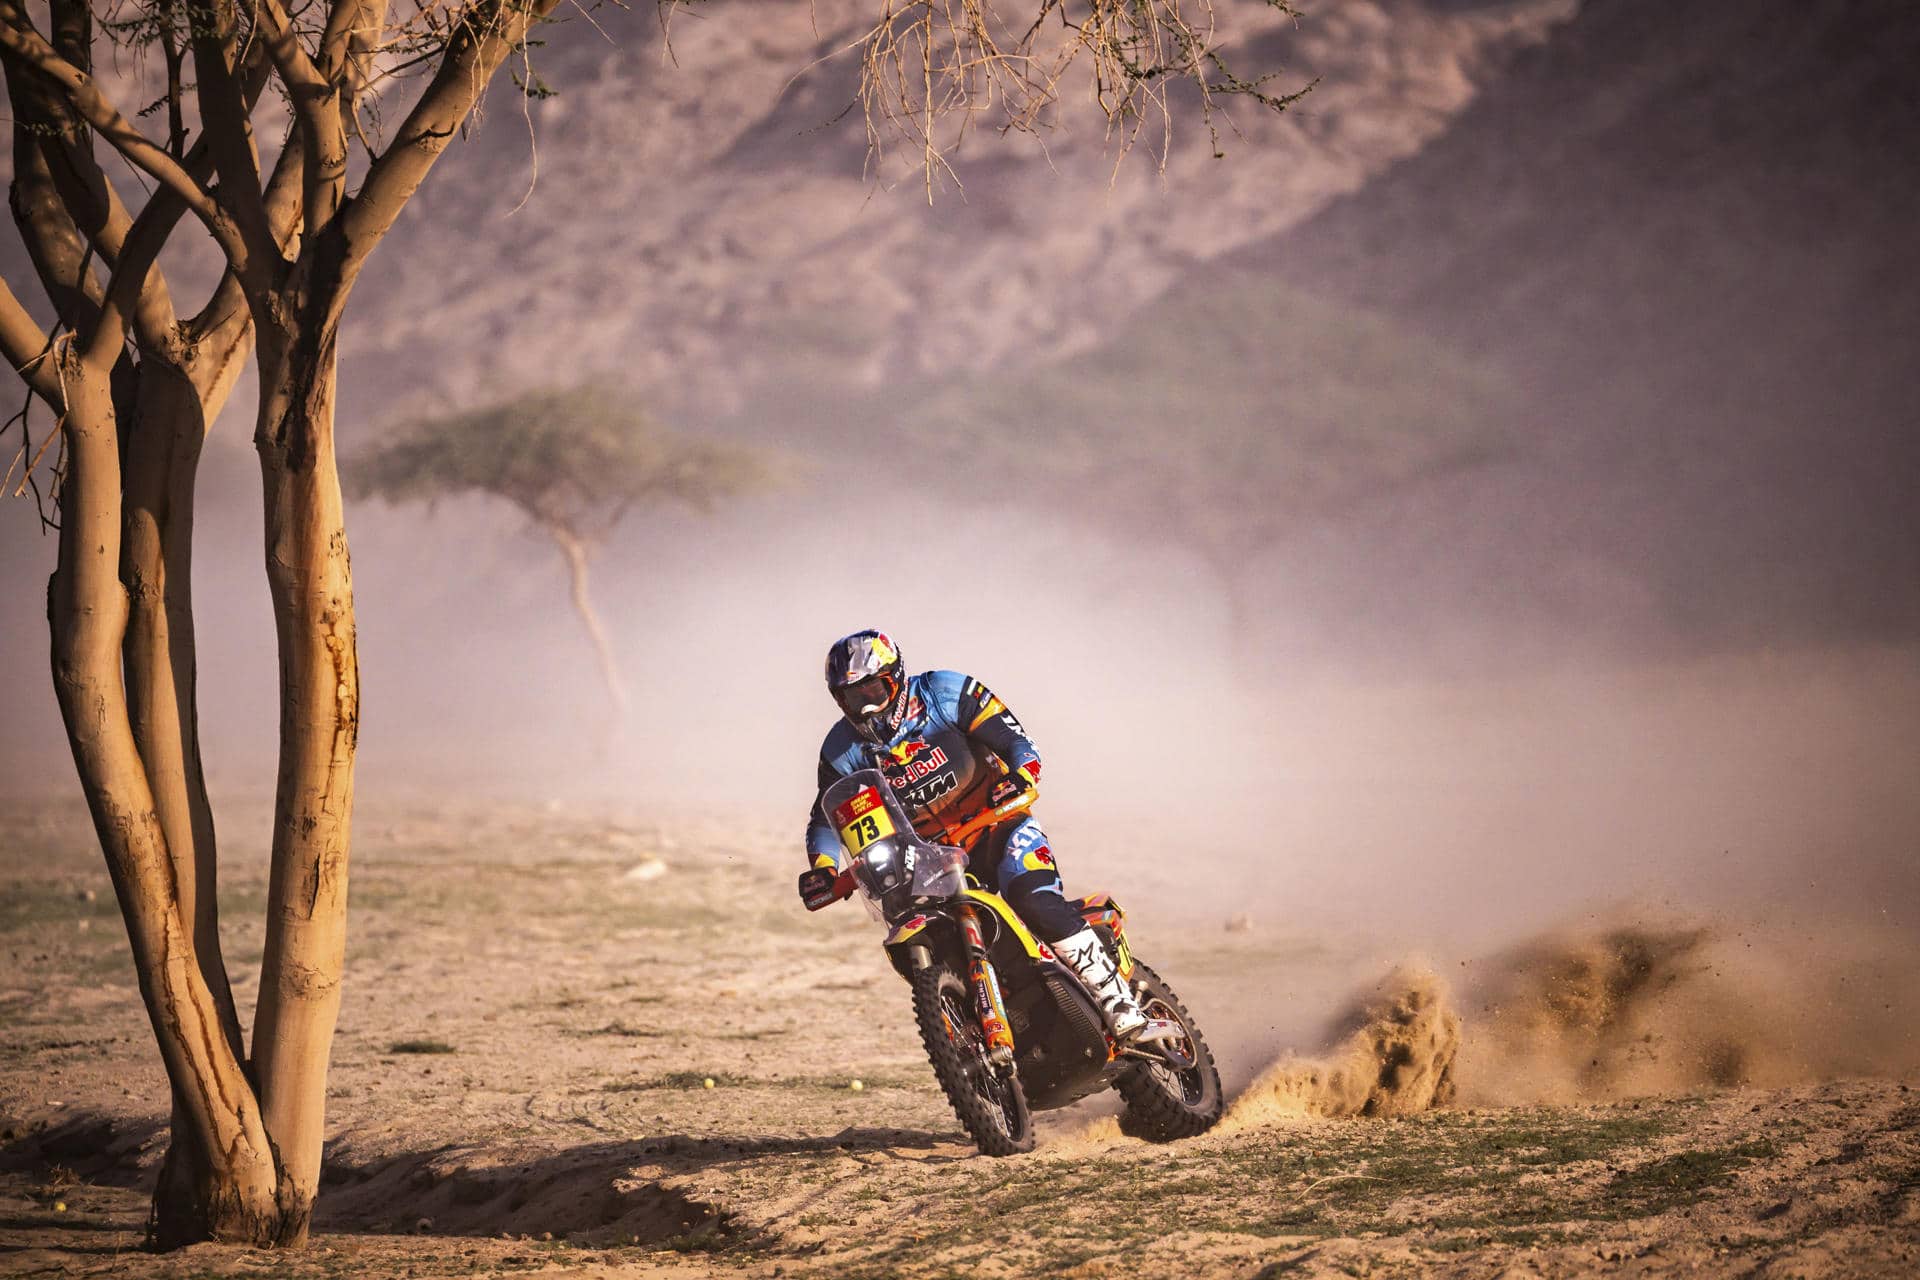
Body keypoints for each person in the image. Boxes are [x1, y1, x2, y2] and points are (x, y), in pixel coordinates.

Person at [798, 629, 1174, 1043]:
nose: (866, 706)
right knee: (924, 934)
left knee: (1034, 900)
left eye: (873, 690)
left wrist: (1022, 771)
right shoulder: (840, 749)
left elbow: (1014, 739)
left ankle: (1120, 1006)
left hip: (998, 827)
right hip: (927, 861)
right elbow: (826, 818)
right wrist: (825, 868)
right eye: (852, 698)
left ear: (897, 678)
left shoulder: (945, 691)